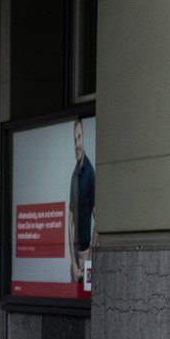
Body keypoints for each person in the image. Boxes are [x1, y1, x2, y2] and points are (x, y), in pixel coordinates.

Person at [69, 120, 96, 286]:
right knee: (75, 294)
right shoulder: (74, 175)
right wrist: (73, 262)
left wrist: (90, 258)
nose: (77, 145)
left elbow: (99, 219)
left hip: (86, 254)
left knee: (87, 294)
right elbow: (69, 223)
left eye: (79, 138)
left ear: (84, 138)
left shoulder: (90, 173)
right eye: (74, 140)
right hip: (76, 256)